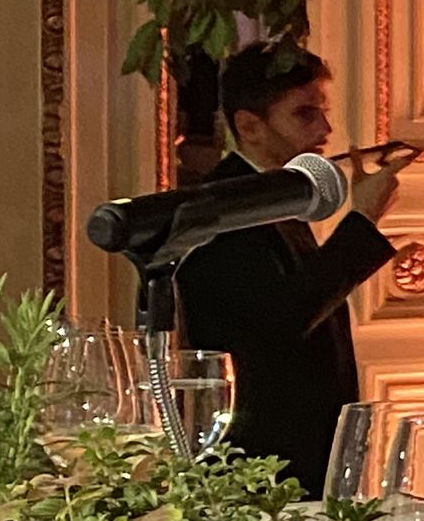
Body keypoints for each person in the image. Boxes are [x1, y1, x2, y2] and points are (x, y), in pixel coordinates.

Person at [171, 43, 406, 496]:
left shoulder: (278, 195)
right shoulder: (224, 207)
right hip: (260, 464)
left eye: (322, 112)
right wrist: (361, 221)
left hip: (299, 451)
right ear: (249, 125)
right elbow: (283, 320)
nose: (326, 129)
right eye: (304, 114)